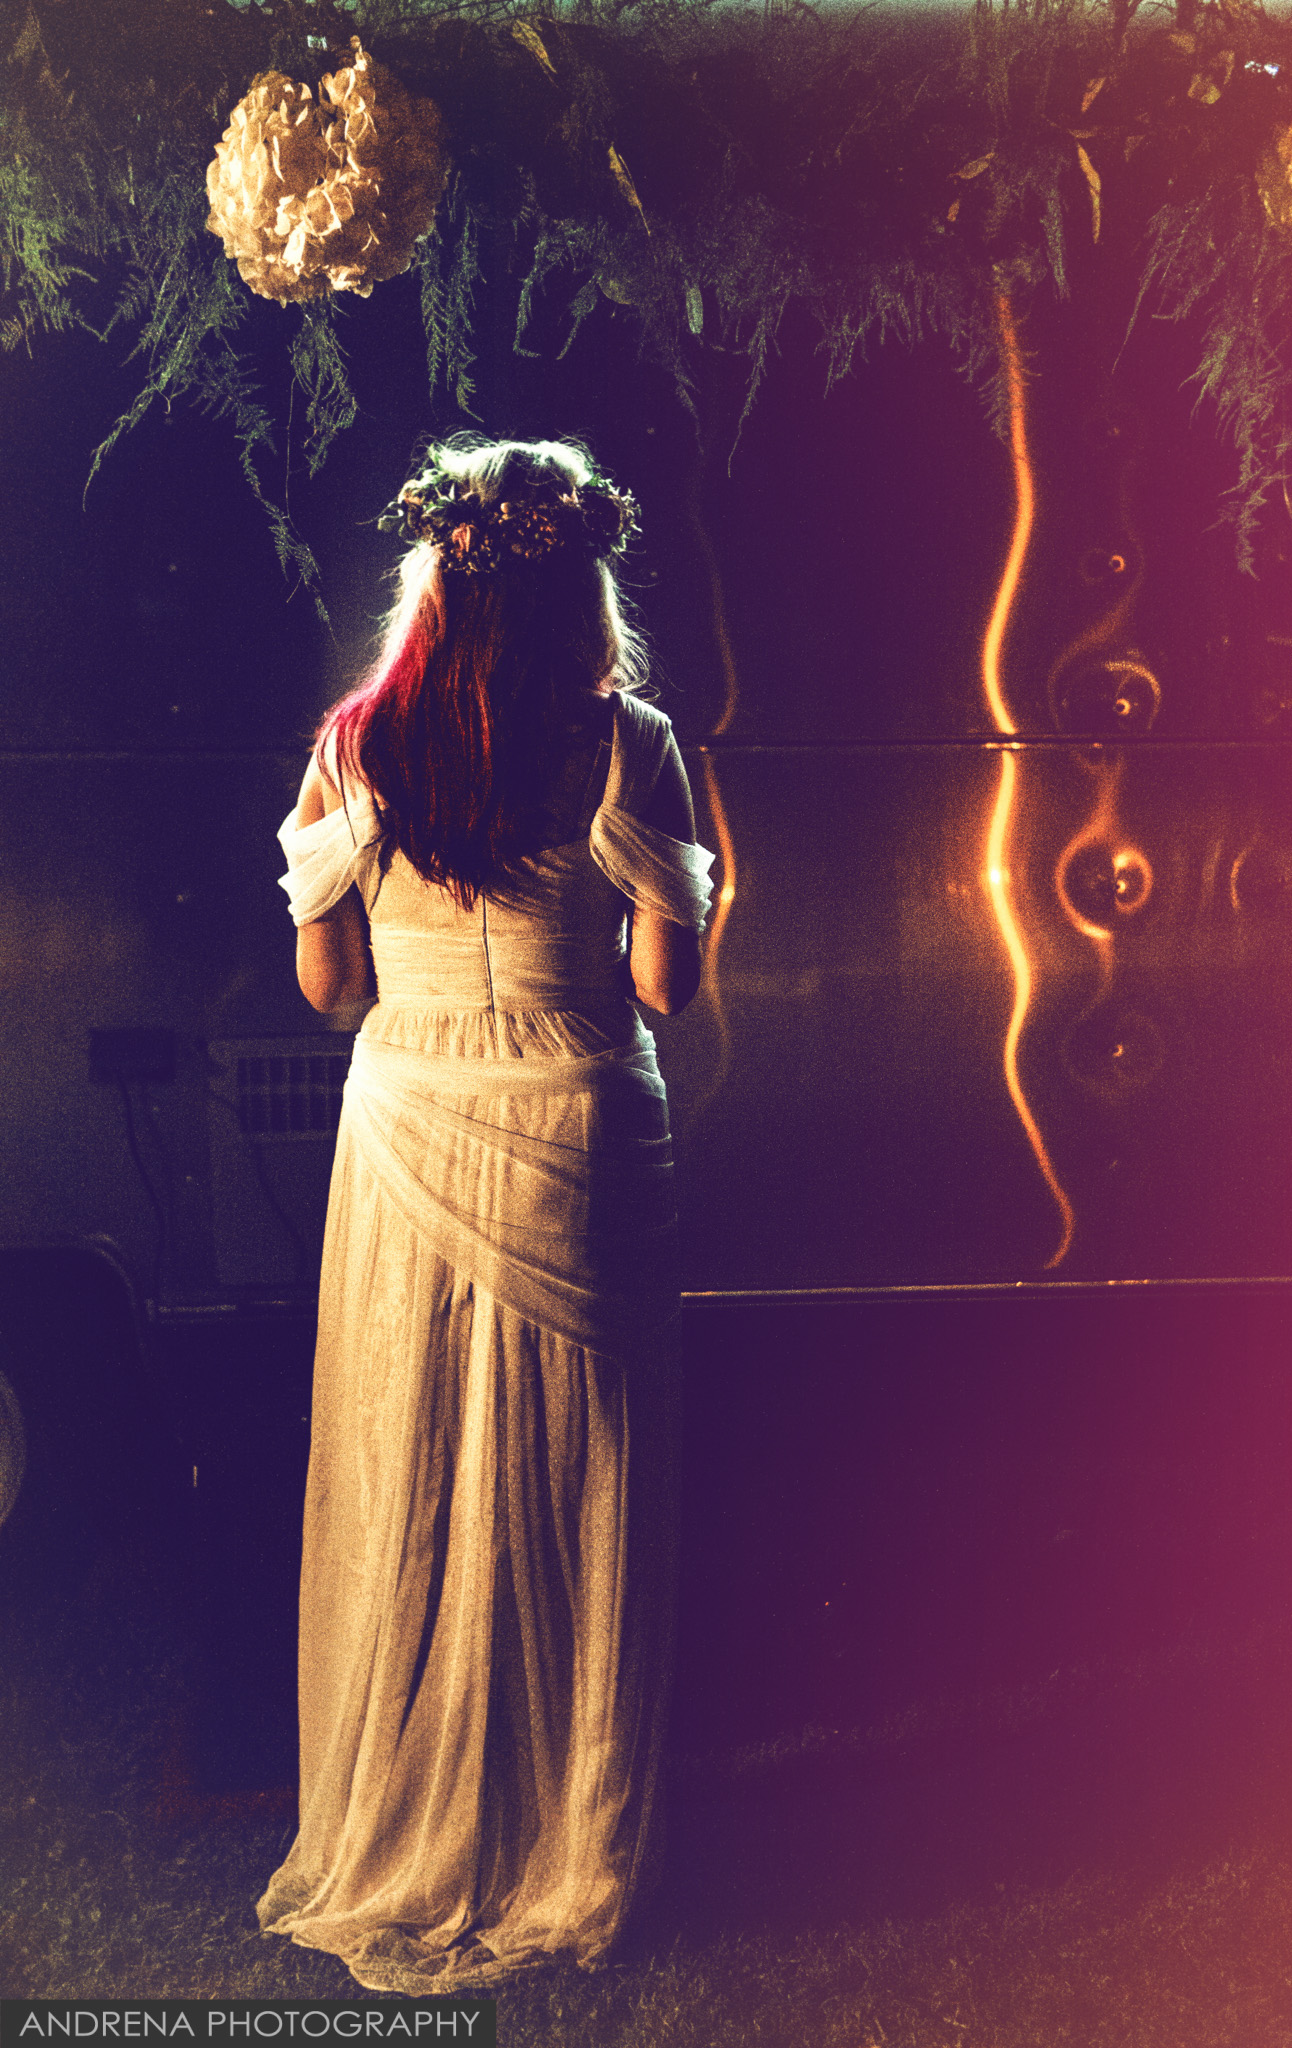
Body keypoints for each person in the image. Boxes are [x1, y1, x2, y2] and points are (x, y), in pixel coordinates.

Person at [257, 435, 713, 1995]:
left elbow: (328, 989)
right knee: (583, 1466)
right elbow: (664, 986)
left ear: (434, 581)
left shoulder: (355, 745)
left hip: (409, 1114)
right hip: (577, 1114)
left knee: (410, 1450)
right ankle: (565, 1831)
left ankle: (410, 1805)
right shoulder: (628, 742)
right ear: (583, 590)